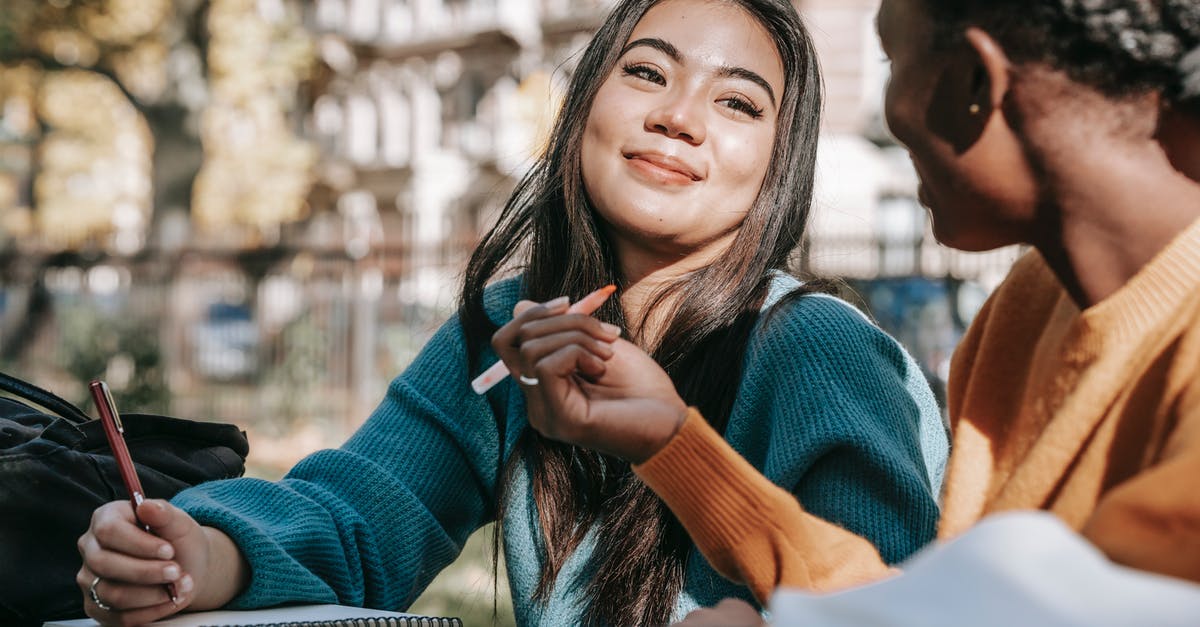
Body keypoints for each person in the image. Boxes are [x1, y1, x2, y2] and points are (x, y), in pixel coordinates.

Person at [74, 0, 949, 624]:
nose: (679, 117)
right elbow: (362, 515)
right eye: (646, 72)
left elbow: (888, 594)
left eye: (737, 102)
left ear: (778, 167)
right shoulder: (510, 330)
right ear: (582, 111)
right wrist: (200, 557)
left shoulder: (817, 346)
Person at [496, 0, 1200, 620]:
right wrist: (673, 442)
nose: (886, 110)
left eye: (892, 58)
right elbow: (939, 607)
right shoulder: (1029, 307)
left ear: (973, 86)